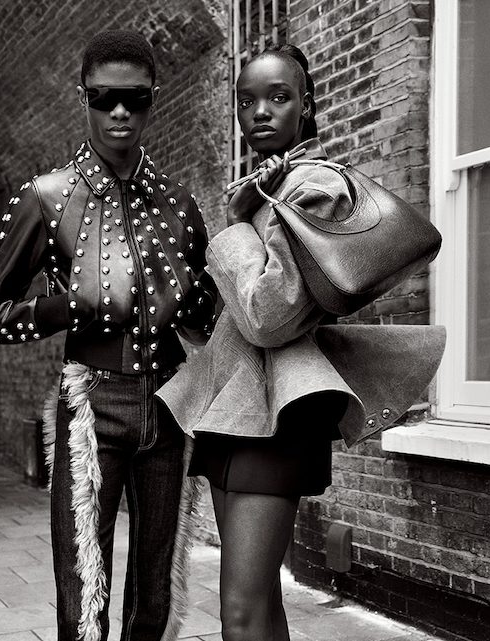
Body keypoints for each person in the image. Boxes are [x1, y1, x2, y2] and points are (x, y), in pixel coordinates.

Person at [156, 44, 445, 641]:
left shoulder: (314, 188)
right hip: (234, 412)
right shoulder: (263, 189)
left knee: (238, 612)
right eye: (246, 101)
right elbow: (238, 314)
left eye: (277, 97)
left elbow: (268, 316)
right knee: (261, 604)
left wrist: (236, 227)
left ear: (306, 104)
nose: (259, 111)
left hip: (280, 419)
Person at [0, 30, 215, 641]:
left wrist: (196, 292)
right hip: (91, 406)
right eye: (105, 98)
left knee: (155, 593)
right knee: (83, 597)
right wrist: (63, 307)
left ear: (152, 100)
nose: (120, 111)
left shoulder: (179, 206)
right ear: (85, 99)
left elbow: (207, 323)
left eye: (135, 98)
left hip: (171, 404)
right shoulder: (48, 198)